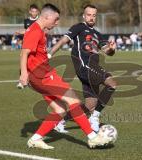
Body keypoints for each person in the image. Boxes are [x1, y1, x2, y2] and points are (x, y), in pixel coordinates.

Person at [19, 3, 111, 149]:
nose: (56, 23)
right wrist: (24, 73)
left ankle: (36, 139)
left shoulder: (39, 30)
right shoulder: (35, 30)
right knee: (73, 100)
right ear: (46, 16)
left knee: (60, 110)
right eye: (55, 19)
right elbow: (24, 52)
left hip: (40, 75)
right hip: (42, 75)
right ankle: (92, 137)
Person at [48, 4, 117, 133]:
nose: (91, 17)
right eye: (89, 15)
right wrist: (49, 54)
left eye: (94, 15)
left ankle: (60, 122)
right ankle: (95, 118)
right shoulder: (78, 28)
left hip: (93, 68)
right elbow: (63, 41)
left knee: (90, 105)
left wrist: (112, 49)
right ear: (84, 16)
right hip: (85, 66)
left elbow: (107, 51)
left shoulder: (97, 34)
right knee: (112, 84)